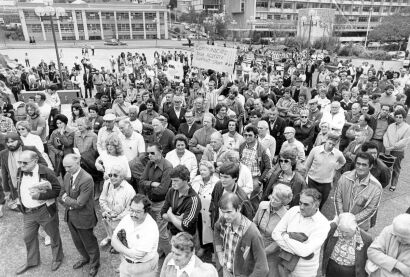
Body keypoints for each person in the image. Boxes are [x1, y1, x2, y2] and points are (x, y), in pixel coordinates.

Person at [14, 150, 64, 275]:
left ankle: (57, 258)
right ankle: (32, 261)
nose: (21, 165)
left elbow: (58, 190)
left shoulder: (46, 172)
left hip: (44, 210)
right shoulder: (20, 170)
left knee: (53, 235)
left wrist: (40, 196)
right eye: (19, 162)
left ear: (35, 161)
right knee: (28, 237)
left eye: (24, 162)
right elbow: (17, 186)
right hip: (28, 212)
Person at [272, 188, 330, 277]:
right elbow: (275, 233)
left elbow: (304, 251)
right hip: (284, 263)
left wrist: (286, 237)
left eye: (306, 204)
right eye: (300, 203)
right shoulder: (293, 211)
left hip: (304, 272)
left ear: (316, 205)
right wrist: (296, 249)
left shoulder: (323, 224)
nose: (301, 207)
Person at [59, 153, 100, 277]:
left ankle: (94, 264)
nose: (66, 170)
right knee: (77, 241)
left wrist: (67, 199)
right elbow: (61, 194)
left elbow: (80, 203)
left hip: (84, 217)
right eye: (64, 167)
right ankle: (85, 258)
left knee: (89, 242)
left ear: (78, 163)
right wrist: (68, 201)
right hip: (71, 216)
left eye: (69, 166)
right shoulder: (67, 175)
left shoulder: (86, 179)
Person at [214, 192, 269, 277]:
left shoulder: (252, 232)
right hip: (226, 271)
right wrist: (219, 252)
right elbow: (216, 229)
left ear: (239, 208)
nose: (225, 216)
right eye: (223, 212)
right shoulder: (224, 220)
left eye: (229, 212)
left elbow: (263, 268)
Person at [111, 194, 159, 277]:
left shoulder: (151, 227)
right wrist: (128, 252)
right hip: (125, 263)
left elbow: (138, 255)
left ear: (146, 211)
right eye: (131, 210)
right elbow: (113, 240)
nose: (133, 214)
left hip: (144, 267)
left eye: (138, 212)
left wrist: (120, 248)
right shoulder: (127, 218)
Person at [140, 142, 173, 256]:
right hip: (150, 202)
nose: (149, 155)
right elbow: (141, 181)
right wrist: (153, 184)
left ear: (160, 152)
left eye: (152, 153)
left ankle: (171, 256)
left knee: (162, 233)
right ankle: (161, 250)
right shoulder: (150, 163)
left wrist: (147, 186)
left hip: (162, 204)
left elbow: (162, 190)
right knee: (154, 230)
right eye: (148, 153)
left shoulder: (168, 166)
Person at [0, 132, 47, 214]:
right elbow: (4, 171)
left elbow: (43, 164)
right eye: (8, 142)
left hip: (31, 180)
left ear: (19, 140)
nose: (10, 144)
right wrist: (6, 188)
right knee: (23, 206)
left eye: (12, 141)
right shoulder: (4, 153)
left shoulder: (30, 149)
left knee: (36, 204)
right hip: (15, 183)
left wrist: (29, 170)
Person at [335, 152, 382, 231]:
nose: (360, 167)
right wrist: (342, 217)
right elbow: (338, 198)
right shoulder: (345, 176)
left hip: (360, 226)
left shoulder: (376, 187)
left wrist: (350, 221)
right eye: (358, 163)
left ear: (370, 166)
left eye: (364, 165)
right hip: (340, 221)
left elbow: (370, 209)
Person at [253, 184, 293, 277]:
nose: (272, 201)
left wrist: (263, 252)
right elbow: (254, 223)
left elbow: (278, 243)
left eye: (277, 200)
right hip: (257, 245)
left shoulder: (286, 217)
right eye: (273, 197)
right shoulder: (262, 205)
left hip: (272, 253)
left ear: (283, 203)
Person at [99, 164, 136, 253]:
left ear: (122, 177)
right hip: (108, 215)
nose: (112, 178)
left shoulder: (129, 190)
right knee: (108, 226)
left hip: (121, 219)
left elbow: (130, 209)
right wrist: (108, 211)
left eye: (115, 175)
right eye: (110, 175)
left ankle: (119, 245)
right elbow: (102, 199)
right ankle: (110, 237)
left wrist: (117, 217)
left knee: (121, 233)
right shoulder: (107, 183)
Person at [322, 213, 373, 277]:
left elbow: (369, 258)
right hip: (332, 267)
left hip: (350, 272)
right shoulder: (333, 229)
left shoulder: (366, 238)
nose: (344, 234)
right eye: (342, 231)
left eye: (347, 232)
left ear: (354, 229)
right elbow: (326, 249)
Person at [305, 132, 346, 209]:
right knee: (309, 201)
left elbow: (343, 162)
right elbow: (307, 165)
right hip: (312, 181)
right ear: (326, 140)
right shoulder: (315, 150)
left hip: (326, 184)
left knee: (320, 204)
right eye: (329, 143)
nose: (331, 146)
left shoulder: (338, 154)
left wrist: (335, 168)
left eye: (333, 145)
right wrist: (305, 178)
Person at [161, 165, 201, 238]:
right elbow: (162, 213)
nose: (172, 183)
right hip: (171, 232)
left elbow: (185, 227)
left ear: (185, 180)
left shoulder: (194, 199)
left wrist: (170, 215)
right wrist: (178, 218)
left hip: (186, 238)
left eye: (176, 180)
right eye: (172, 180)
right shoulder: (171, 191)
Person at [191, 161, 219, 256]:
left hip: (210, 211)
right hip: (198, 210)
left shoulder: (216, 182)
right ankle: (203, 247)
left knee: (211, 229)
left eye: (204, 170)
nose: (202, 172)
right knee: (200, 228)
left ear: (210, 170)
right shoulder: (196, 179)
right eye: (200, 170)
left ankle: (213, 251)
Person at [383, 108, 410, 191]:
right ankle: (384, 182)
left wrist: (393, 147)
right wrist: (386, 146)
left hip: (398, 151)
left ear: (404, 118)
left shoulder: (407, 127)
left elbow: (404, 141)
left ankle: (393, 184)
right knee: (386, 167)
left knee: (396, 168)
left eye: (400, 117)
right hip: (388, 149)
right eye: (397, 117)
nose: (398, 119)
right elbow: (386, 136)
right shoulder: (391, 126)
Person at [239, 125, 272, 192]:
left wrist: (260, 181)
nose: (247, 137)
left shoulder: (263, 149)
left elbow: (268, 167)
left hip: (255, 179)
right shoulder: (242, 146)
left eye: (250, 135)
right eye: (245, 135)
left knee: (254, 201)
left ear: (256, 136)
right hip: (242, 177)